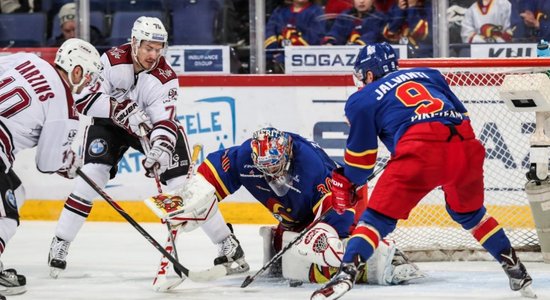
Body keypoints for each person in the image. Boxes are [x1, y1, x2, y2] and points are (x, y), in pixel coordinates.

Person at [310, 42, 536, 300]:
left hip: (421, 151)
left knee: (377, 219)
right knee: (471, 214)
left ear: (369, 74)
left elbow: (361, 165)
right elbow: (457, 113)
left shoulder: (361, 99)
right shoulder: (429, 74)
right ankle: (515, 268)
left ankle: (345, 274)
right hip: (466, 145)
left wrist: (347, 182)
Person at [47, 16, 249, 280]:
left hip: (152, 130)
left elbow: (165, 121)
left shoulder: (165, 78)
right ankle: (60, 242)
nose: (153, 55)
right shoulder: (110, 60)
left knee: (183, 188)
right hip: (110, 126)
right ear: (134, 42)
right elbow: (84, 101)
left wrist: (159, 150)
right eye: (148, 48)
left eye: (158, 48)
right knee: (92, 175)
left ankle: (227, 243)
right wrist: (119, 110)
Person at [151, 127, 423, 286]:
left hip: (343, 205)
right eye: (264, 169)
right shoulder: (246, 156)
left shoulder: (312, 167)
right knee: (288, 259)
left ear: (287, 155)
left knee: (324, 253)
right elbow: (208, 178)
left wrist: (322, 235)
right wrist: (188, 205)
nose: (270, 176)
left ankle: (383, 260)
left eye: (275, 167)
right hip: (294, 218)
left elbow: (337, 210)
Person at [0, 38, 102, 296]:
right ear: (76, 70)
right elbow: (46, 164)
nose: (89, 84)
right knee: (6, 218)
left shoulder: (29, 60)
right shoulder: (64, 106)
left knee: (17, 191)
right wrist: (67, 163)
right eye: (89, 77)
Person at [265, 0, 326, 73]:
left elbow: (315, 38)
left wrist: (288, 56)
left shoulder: (316, 11)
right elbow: (269, 32)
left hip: (305, 62)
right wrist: (274, 52)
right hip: (277, 60)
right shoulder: (279, 11)